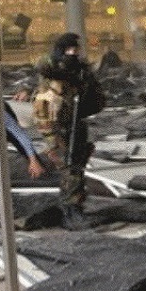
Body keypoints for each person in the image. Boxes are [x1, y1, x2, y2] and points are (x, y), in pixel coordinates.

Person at [32, 32, 105, 222]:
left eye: (75, 49)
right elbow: (43, 112)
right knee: (69, 169)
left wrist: (86, 81)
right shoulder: (53, 76)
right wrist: (52, 142)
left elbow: (96, 101)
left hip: (75, 124)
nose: (73, 53)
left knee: (76, 168)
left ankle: (75, 206)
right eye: (68, 50)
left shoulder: (78, 74)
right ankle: (70, 210)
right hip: (57, 129)